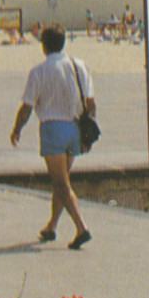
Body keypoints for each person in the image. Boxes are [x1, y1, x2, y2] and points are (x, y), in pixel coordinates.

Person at [10, 24, 95, 249]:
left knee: (60, 183)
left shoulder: (39, 71)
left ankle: (81, 227)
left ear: (44, 45)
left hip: (52, 128)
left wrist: (17, 128)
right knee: (62, 181)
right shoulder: (80, 66)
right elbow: (91, 103)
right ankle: (51, 227)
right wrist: (86, 135)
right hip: (75, 128)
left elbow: (27, 106)